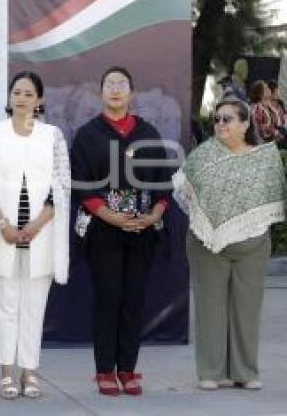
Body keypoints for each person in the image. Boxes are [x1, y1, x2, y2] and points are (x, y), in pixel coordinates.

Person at [0, 71, 70, 400]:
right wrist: (4, 226)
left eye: (28, 93)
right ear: (9, 97)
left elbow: (62, 185)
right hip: (2, 233)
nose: (22, 98)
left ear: (39, 100)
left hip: (41, 231)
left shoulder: (53, 135)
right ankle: (6, 374)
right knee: (4, 304)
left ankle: (30, 372)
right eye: (17, 92)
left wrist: (37, 224)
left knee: (34, 305)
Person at [70, 66, 170, 396]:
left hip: (142, 228)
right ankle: (104, 371)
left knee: (134, 299)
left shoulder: (148, 133)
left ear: (132, 92)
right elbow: (82, 186)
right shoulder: (88, 134)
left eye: (121, 84)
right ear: (101, 92)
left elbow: (162, 184)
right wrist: (111, 216)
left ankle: (127, 369)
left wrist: (153, 212)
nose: (115, 89)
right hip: (104, 230)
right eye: (109, 84)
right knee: (108, 298)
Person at [173, 98, 285, 391]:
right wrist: (203, 219)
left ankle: (245, 372)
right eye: (218, 119)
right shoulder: (203, 155)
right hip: (207, 245)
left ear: (246, 124)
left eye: (228, 119)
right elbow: (183, 192)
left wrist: (246, 224)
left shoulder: (265, 157)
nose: (221, 124)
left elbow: (270, 200)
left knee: (246, 310)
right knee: (210, 308)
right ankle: (210, 372)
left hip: (253, 244)